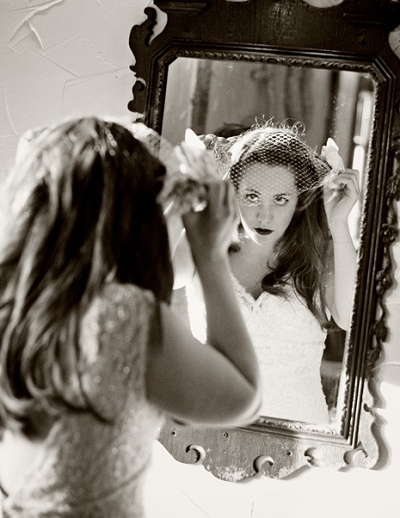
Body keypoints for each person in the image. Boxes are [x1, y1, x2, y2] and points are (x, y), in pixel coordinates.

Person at [0, 116, 261, 517]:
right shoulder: (120, 317)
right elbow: (242, 398)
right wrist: (210, 256)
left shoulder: (17, 306)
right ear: (134, 222)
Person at [174, 122, 360, 424]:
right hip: (204, 435)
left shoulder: (319, 257)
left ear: (299, 200)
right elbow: (162, 275)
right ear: (232, 191)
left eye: (280, 199)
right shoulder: (204, 243)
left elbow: (351, 316)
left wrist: (339, 225)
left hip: (300, 451)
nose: (265, 214)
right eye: (252, 196)